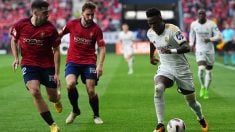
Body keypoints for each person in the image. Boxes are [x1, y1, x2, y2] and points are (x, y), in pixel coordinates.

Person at [145, 8, 208, 132]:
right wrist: (151, 56)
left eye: (155, 23)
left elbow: (186, 47)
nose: (153, 26)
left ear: (161, 19)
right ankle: (160, 125)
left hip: (181, 70)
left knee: (191, 102)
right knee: (158, 89)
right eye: (150, 23)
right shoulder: (150, 32)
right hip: (165, 68)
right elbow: (152, 42)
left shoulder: (173, 30)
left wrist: (172, 50)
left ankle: (201, 118)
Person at [10, 0, 62, 132]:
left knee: (53, 97)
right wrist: (16, 58)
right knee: (34, 91)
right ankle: (52, 125)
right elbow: (14, 40)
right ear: (35, 12)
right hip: (29, 64)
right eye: (45, 12)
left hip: (47, 65)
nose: (48, 14)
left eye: (48, 12)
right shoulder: (20, 25)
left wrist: (56, 72)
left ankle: (57, 100)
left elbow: (56, 50)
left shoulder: (50, 29)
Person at [59, 2, 105, 125]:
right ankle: (75, 110)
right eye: (88, 15)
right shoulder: (72, 24)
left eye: (92, 15)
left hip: (89, 62)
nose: (90, 17)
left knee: (91, 90)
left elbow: (102, 48)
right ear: (82, 13)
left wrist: (100, 65)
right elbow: (59, 35)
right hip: (72, 61)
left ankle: (96, 115)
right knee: (70, 84)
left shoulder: (96, 29)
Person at [189, 9, 222, 99]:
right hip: (199, 49)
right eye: (200, 14)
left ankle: (206, 89)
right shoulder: (194, 24)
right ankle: (202, 86)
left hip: (210, 50)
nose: (201, 15)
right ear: (197, 15)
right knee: (201, 69)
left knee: (209, 71)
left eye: (203, 14)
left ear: (205, 15)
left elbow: (219, 35)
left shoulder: (211, 24)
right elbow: (191, 34)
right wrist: (191, 44)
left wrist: (210, 39)